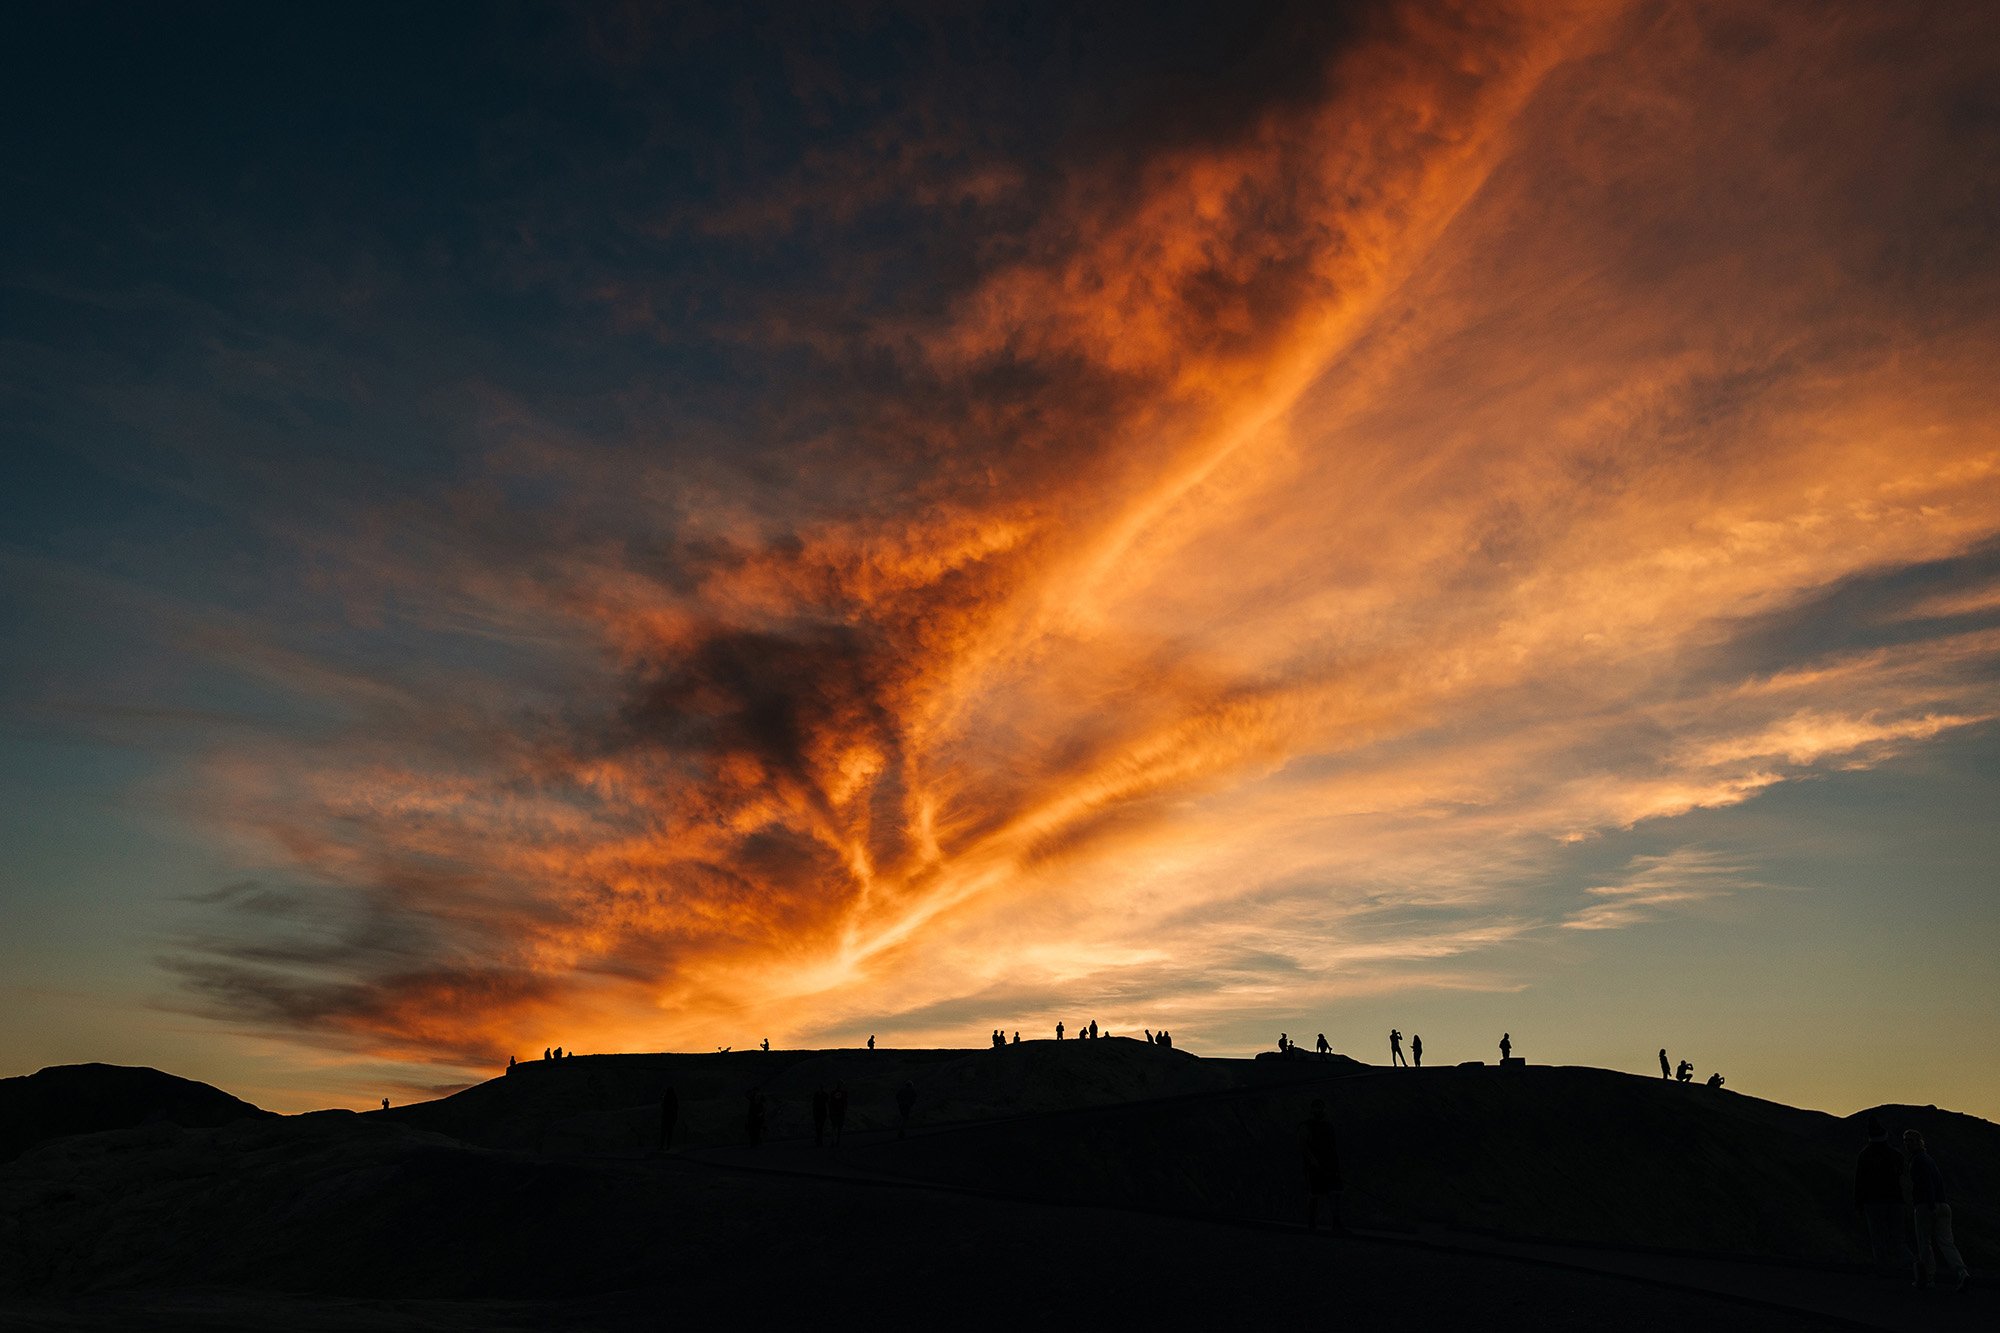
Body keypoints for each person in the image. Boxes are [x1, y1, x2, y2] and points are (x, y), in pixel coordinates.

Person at [1904, 1130, 1970, 1291]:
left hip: (1926, 1205)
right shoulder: (1929, 1160)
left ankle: (1928, 1278)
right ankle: (1961, 1272)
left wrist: (1930, 1204)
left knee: (1924, 1242)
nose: (1907, 1144)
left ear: (1918, 1142)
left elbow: (1925, 1184)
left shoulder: (1918, 1161)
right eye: (1906, 1140)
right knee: (1946, 1242)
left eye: (1910, 1141)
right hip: (1943, 1205)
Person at [1854, 1119, 1908, 1275]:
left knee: (1878, 1236)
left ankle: (1883, 1269)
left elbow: (1859, 1182)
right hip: (1895, 1200)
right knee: (1898, 1236)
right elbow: (1901, 1174)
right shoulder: (1895, 1155)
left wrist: (1858, 1204)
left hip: (1873, 1202)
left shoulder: (1864, 1156)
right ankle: (1909, 1265)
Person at [1302, 1099, 1343, 1233]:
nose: (1319, 1110)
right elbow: (1304, 1146)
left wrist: (1335, 1165)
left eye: (1321, 1108)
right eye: (1316, 1108)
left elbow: (1333, 1146)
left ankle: (1335, 1224)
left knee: (1334, 1194)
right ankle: (1312, 1224)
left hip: (1330, 1165)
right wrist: (1313, 1161)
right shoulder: (1307, 1125)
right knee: (1315, 1195)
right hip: (1317, 1167)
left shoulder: (1328, 1126)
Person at [658, 1086, 680, 1153]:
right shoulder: (674, 1098)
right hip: (670, 1118)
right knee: (669, 1133)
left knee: (664, 1133)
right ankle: (667, 1146)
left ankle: (662, 1146)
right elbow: (676, 1108)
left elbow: (663, 1106)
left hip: (666, 1117)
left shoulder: (666, 1098)